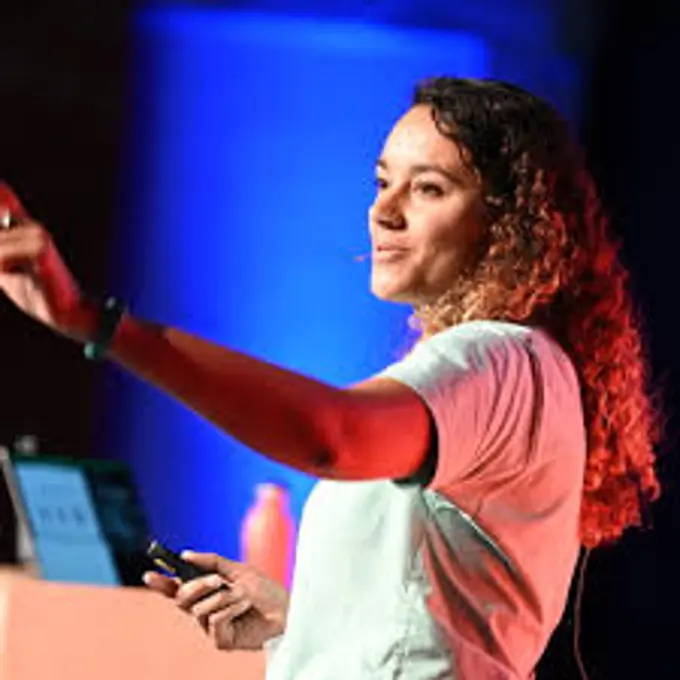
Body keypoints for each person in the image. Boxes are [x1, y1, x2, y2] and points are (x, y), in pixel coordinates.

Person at [0, 77, 662, 679]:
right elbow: (430, 622)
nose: (384, 211)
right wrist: (299, 619)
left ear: (510, 226)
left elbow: (329, 436)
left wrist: (95, 322)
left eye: (428, 188)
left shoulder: (501, 358)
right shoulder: (507, 370)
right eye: (382, 182)